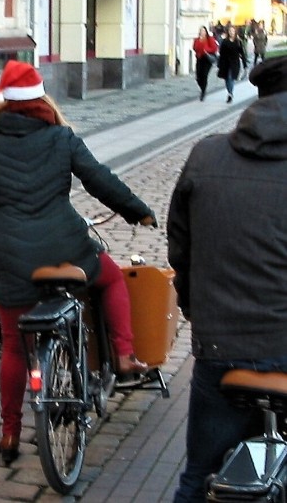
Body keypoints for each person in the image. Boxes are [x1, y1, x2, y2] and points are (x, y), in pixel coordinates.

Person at [0, 60, 157, 465]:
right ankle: (122, 354)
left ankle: (10, 433)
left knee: (14, 345)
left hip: (13, 258)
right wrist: (137, 210)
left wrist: (10, 221)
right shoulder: (62, 137)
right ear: (42, 99)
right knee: (113, 278)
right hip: (67, 248)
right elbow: (99, 179)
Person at [167, 55, 287, 503]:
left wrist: (199, 311)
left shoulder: (206, 154)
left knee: (199, 475)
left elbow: (180, 247)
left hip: (221, 346)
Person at [215, 24, 247, 103]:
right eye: (230, 31)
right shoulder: (225, 42)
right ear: (228, 32)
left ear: (235, 32)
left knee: (230, 78)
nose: (231, 33)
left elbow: (242, 53)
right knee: (226, 80)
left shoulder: (238, 42)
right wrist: (219, 65)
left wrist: (245, 64)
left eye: (233, 31)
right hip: (225, 63)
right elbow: (221, 53)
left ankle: (230, 94)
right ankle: (229, 92)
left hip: (234, 63)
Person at [191, 26, 219, 101]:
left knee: (204, 75)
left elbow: (214, 48)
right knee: (198, 77)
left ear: (206, 32)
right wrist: (198, 48)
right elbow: (194, 48)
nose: (202, 32)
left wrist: (206, 50)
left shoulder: (210, 39)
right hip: (199, 59)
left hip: (207, 59)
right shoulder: (196, 40)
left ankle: (203, 92)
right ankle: (202, 88)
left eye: (203, 31)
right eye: (201, 31)